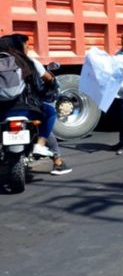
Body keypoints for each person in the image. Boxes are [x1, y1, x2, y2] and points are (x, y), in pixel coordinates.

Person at [3, 35, 72, 174]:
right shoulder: (29, 62)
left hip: (2, 113)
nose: (28, 49)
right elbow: (48, 79)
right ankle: (47, 151)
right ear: (18, 47)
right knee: (49, 113)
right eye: (27, 46)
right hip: (25, 110)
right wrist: (51, 82)